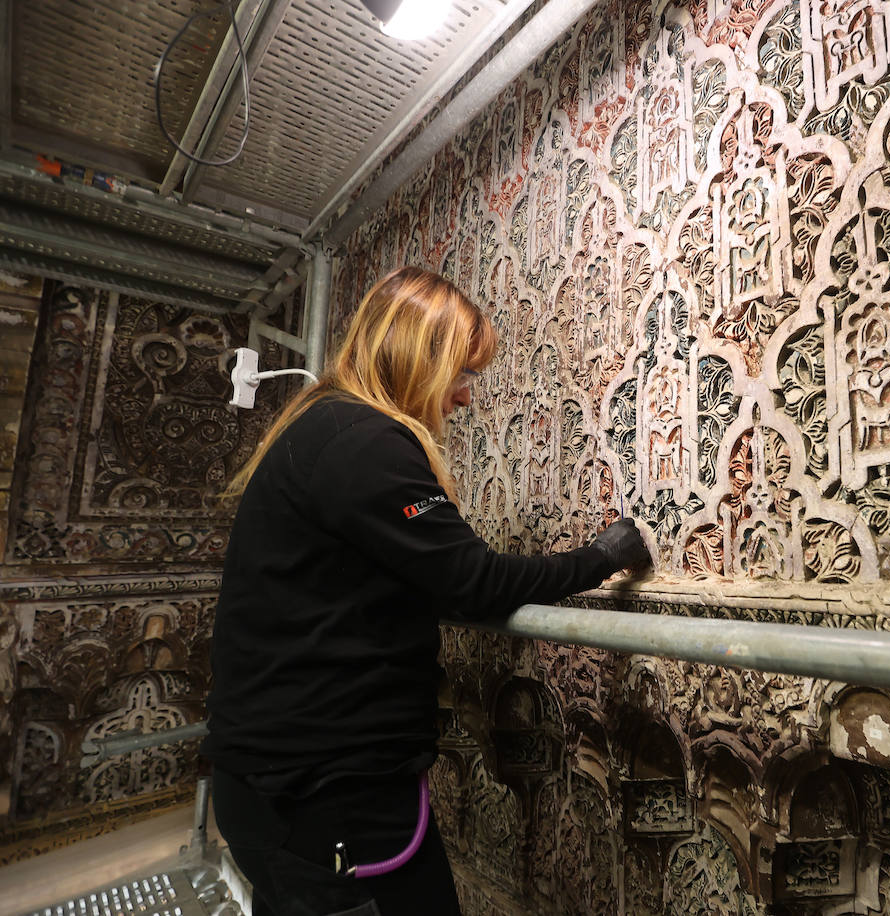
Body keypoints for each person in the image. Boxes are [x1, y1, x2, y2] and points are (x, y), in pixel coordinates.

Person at [203, 266, 650, 916]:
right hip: (319, 793)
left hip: (288, 786)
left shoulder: (327, 427)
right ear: (418, 357)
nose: (465, 397)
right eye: (462, 373)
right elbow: (473, 582)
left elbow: (428, 576)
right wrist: (600, 558)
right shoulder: (365, 444)